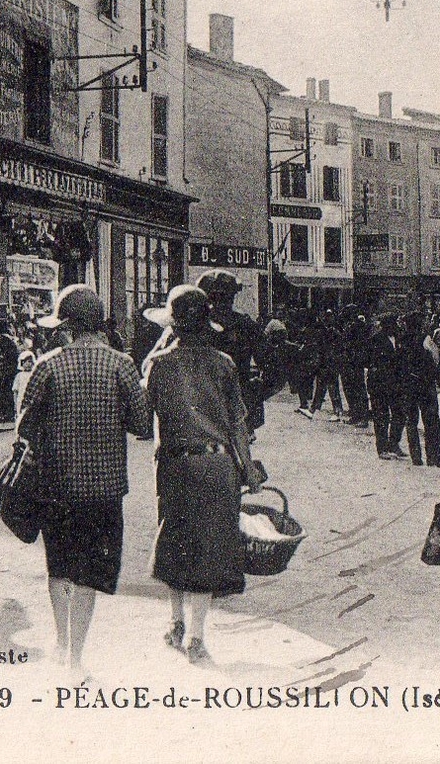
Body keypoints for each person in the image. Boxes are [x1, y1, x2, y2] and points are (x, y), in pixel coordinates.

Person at [18, 285, 151, 678]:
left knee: (59, 567)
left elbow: (25, 427)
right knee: (90, 572)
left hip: (56, 485)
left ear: (66, 326)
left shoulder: (48, 365)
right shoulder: (122, 365)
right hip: (104, 488)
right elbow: (142, 425)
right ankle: (77, 658)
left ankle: (60, 642)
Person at [143, 285, 263, 665]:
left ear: (174, 324)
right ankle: (195, 633)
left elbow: (144, 417)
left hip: (175, 464)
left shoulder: (159, 364)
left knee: (175, 538)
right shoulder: (223, 363)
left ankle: (175, 622)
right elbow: (237, 426)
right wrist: (249, 469)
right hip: (217, 465)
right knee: (208, 547)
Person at [196, 271, 266, 431]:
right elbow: (273, 372)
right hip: (235, 405)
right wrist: (253, 394)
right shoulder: (246, 325)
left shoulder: (194, 326)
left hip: (202, 406)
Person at [398, 311, 440, 467]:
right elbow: (435, 357)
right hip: (425, 384)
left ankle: (416, 457)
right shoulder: (426, 339)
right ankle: (433, 457)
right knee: (431, 421)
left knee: (411, 421)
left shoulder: (402, 340)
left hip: (408, 385)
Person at [367, 313, 406, 459]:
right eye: (393, 323)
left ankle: (394, 444)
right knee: (381, 415)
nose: (395, 326)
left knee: (399, 414)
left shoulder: (400, 338)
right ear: (386, 325)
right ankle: (382, 448)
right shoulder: (375, 340)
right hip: (380, 384)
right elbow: (367, 360)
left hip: (396, 383)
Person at [337, 308, 373, 428]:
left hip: (354, 361)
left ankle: (362, 416)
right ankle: (355, 414)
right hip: (348, 361)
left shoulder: (358, 327)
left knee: (357, 388)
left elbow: (357, 344)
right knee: (350, 388)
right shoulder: (349, 326)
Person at [308, 311, 345, 418]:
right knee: (322, 386)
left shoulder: (332, 332)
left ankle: (337, 411)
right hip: (326, 362)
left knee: (331, 386)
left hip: (330, 362)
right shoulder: (330, 331)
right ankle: (314, 409)